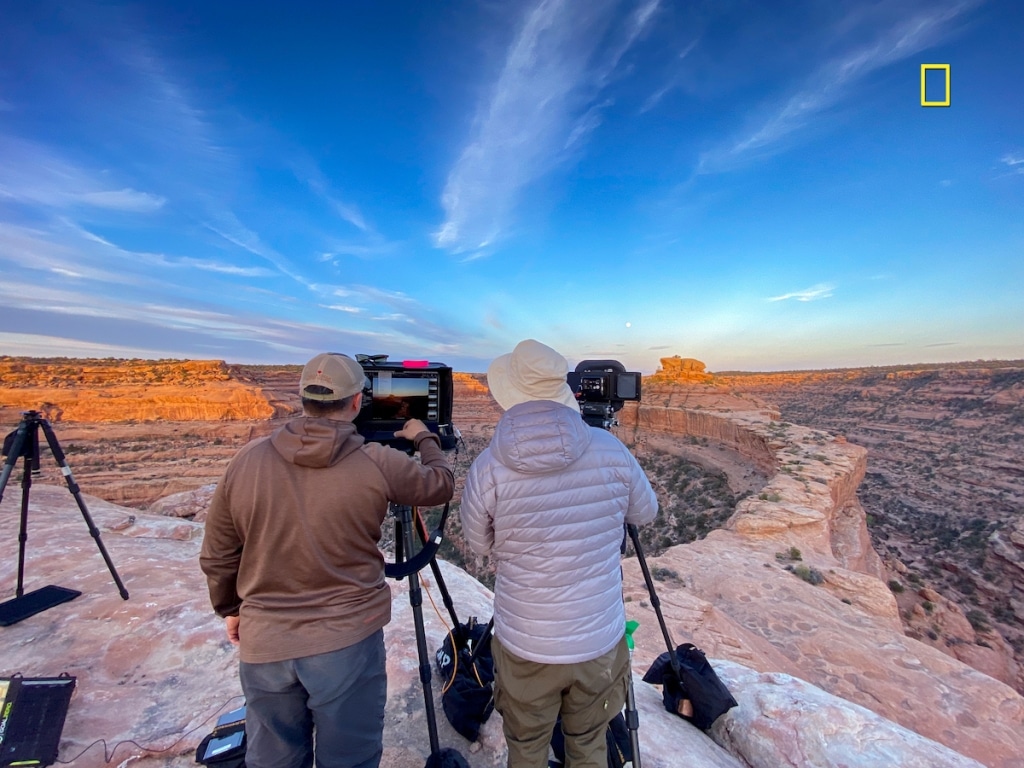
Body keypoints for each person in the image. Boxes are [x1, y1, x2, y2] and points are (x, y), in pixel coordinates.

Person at [200, 352, 455, 768]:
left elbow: (217, 554)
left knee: (274, 758)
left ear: (302, 398)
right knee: (349, 758)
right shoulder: (376, 461)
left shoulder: (245, 462)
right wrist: (423, 436)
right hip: (347, 642)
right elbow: (439, 485)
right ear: (357, 403)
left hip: (266, 641)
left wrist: (232, 609)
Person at [460, 339, 658, 768]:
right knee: (588, 745)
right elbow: (646, 512)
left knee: (527, 748)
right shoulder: (611, 451)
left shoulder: (488, 467)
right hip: (598, 643)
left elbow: (478, 544)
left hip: (525, 644)